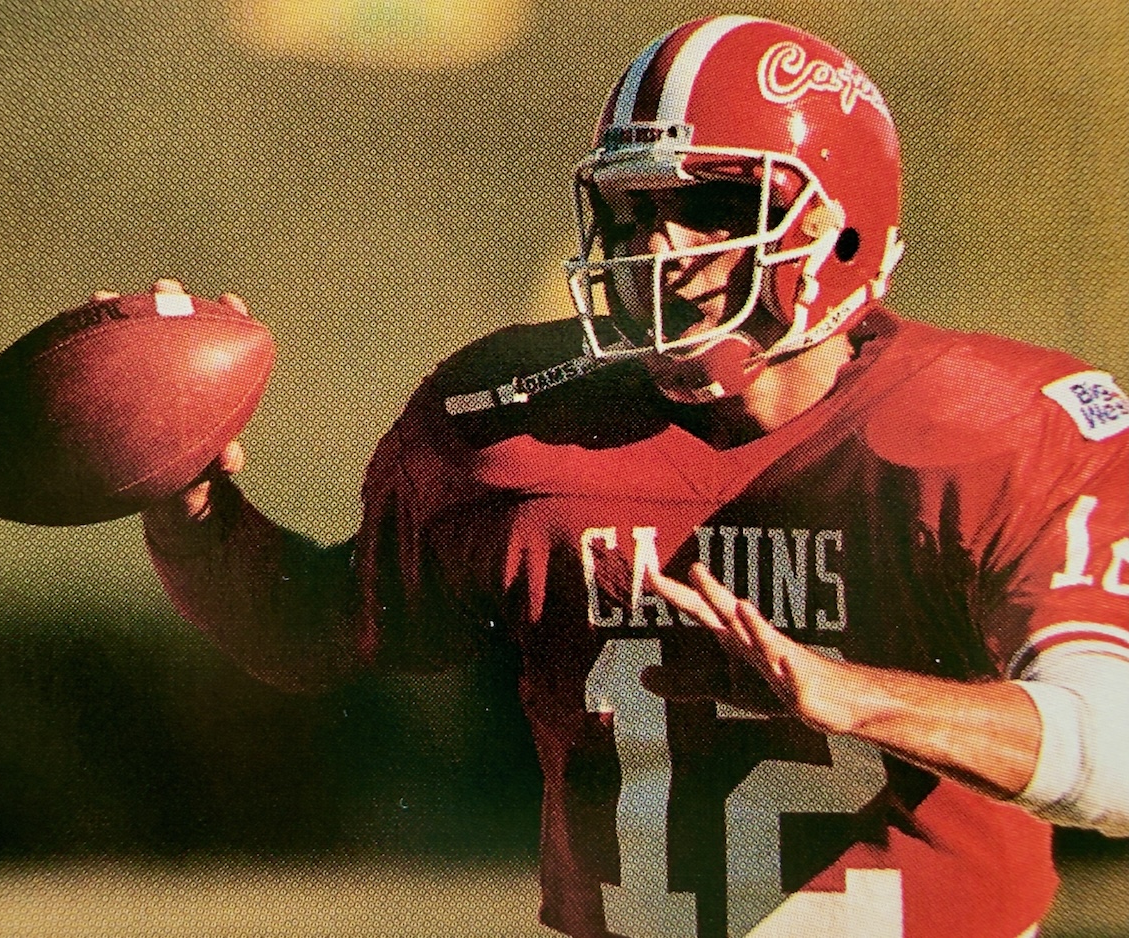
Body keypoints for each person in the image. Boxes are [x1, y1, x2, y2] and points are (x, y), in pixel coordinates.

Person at [132, 15, 1129, 938]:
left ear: (842, 226)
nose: (663, 249)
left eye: (716, 207)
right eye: (636, 207)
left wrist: (855, 697)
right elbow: (312, 625)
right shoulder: (514, 421)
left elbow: (1115, 751)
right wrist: (188, 504)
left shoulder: (993, 430)